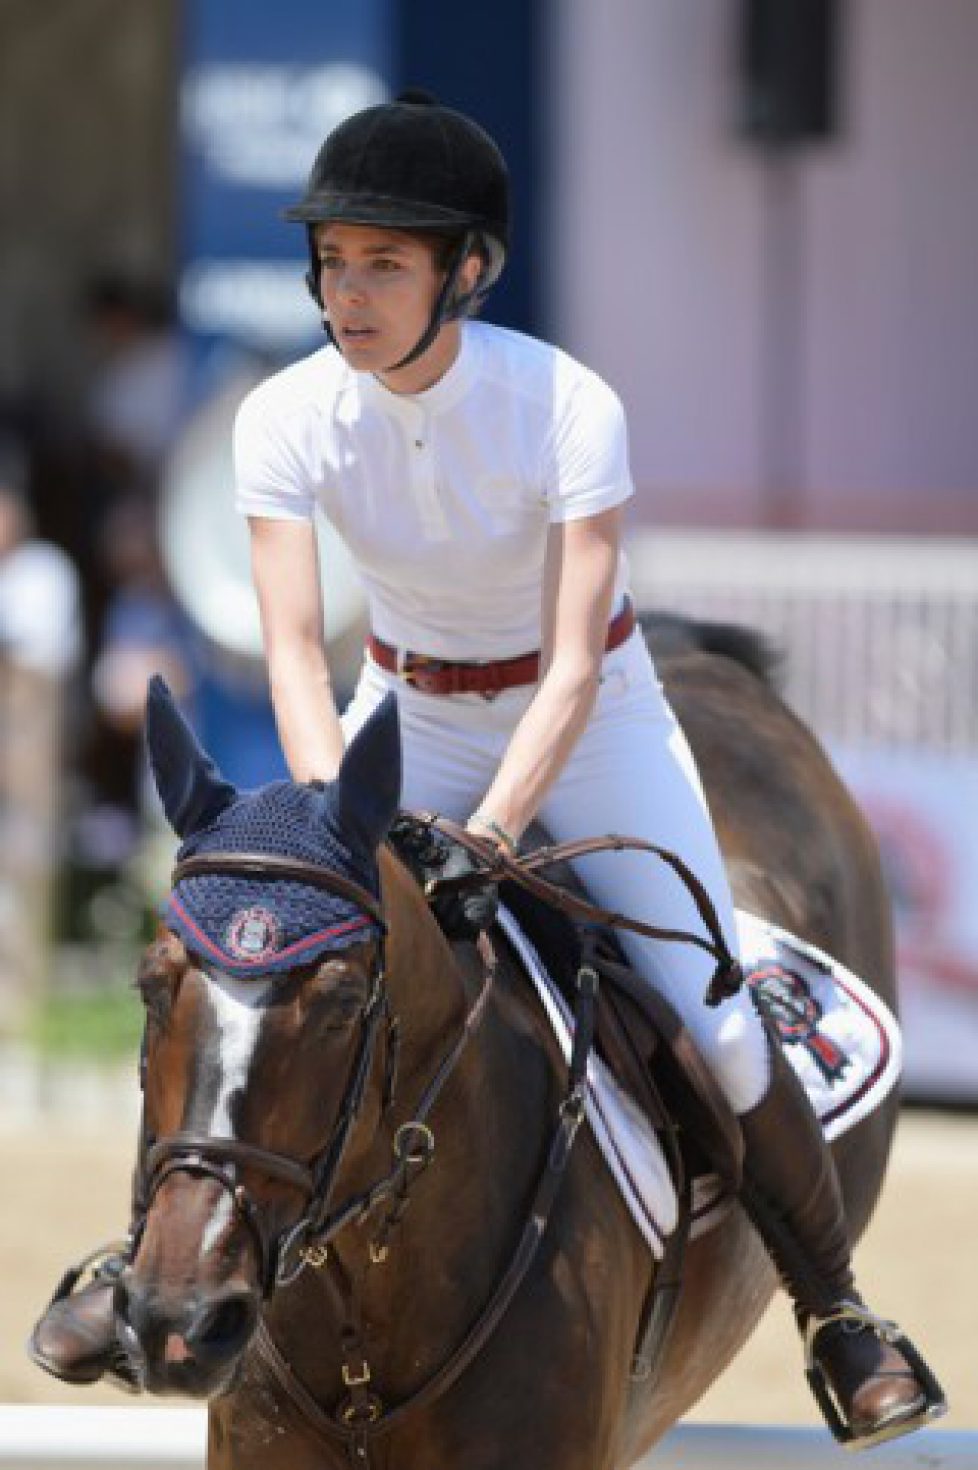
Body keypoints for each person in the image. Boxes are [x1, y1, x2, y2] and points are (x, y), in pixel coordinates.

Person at [29, 92, 940, 1447]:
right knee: (264, 975)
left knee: (713, 1011)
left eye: (384, 263)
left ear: (466, 270)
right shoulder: (279, 417)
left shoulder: (564, 405)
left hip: (591, 713)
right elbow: (290, 650)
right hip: (400, 705)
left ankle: (836, 1308)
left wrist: (493, 831)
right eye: (334, 260)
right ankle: (141, 1259)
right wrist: (342, 825)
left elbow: (570, 664)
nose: (349, 291)